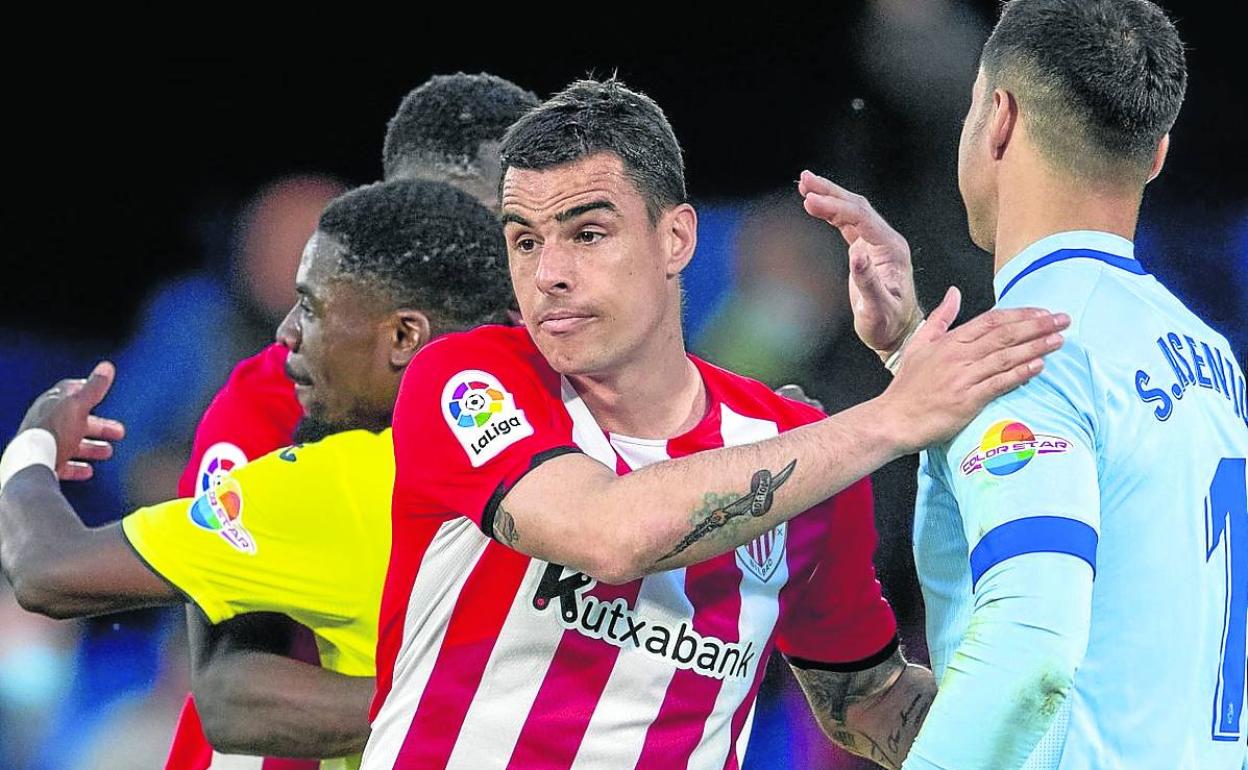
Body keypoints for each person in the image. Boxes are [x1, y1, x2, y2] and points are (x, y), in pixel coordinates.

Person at [362, 77, 1068, 769]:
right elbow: (611, 536)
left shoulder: (801, 454)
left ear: (675, 239)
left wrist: (1087, 727)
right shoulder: (468, 378)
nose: (549, 272)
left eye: (588, 233)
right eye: (524, 241)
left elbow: (869, 702)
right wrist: (891, 417)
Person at [799, 1, 1248, 768]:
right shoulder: (1208, 356)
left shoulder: (1025, 353)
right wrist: (914, 353)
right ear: (1157, 153)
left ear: (998, 118)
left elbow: (1029, 655)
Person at [0, 179, 515, 770]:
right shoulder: (584, 447)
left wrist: (32, 444)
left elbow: (47, 572)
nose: (287, 331)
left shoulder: (337, 483)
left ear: (404, 335)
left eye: (313, 306)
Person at [165, 73, 541, 770]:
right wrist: (501, 715)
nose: (478, 258)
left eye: (518, 234)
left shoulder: (556, 399)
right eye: (444, 223)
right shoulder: (278, 401)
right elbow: (231, 692)